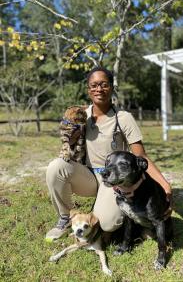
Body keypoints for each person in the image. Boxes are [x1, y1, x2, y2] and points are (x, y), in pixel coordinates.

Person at [45, 66, 172, 240]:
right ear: (88, 89)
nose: (99, 89)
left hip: (116, 180)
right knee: (55, 167)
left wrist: (165, 187)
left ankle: (110, 210)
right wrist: (72, 137)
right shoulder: (82, 115)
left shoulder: (124, 118)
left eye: (104, 84)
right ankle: (65, 218)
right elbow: (67, 139)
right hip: (88, 176)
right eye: (94, 85)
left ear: (112, 87)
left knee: (107, 223)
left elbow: (141, 156)